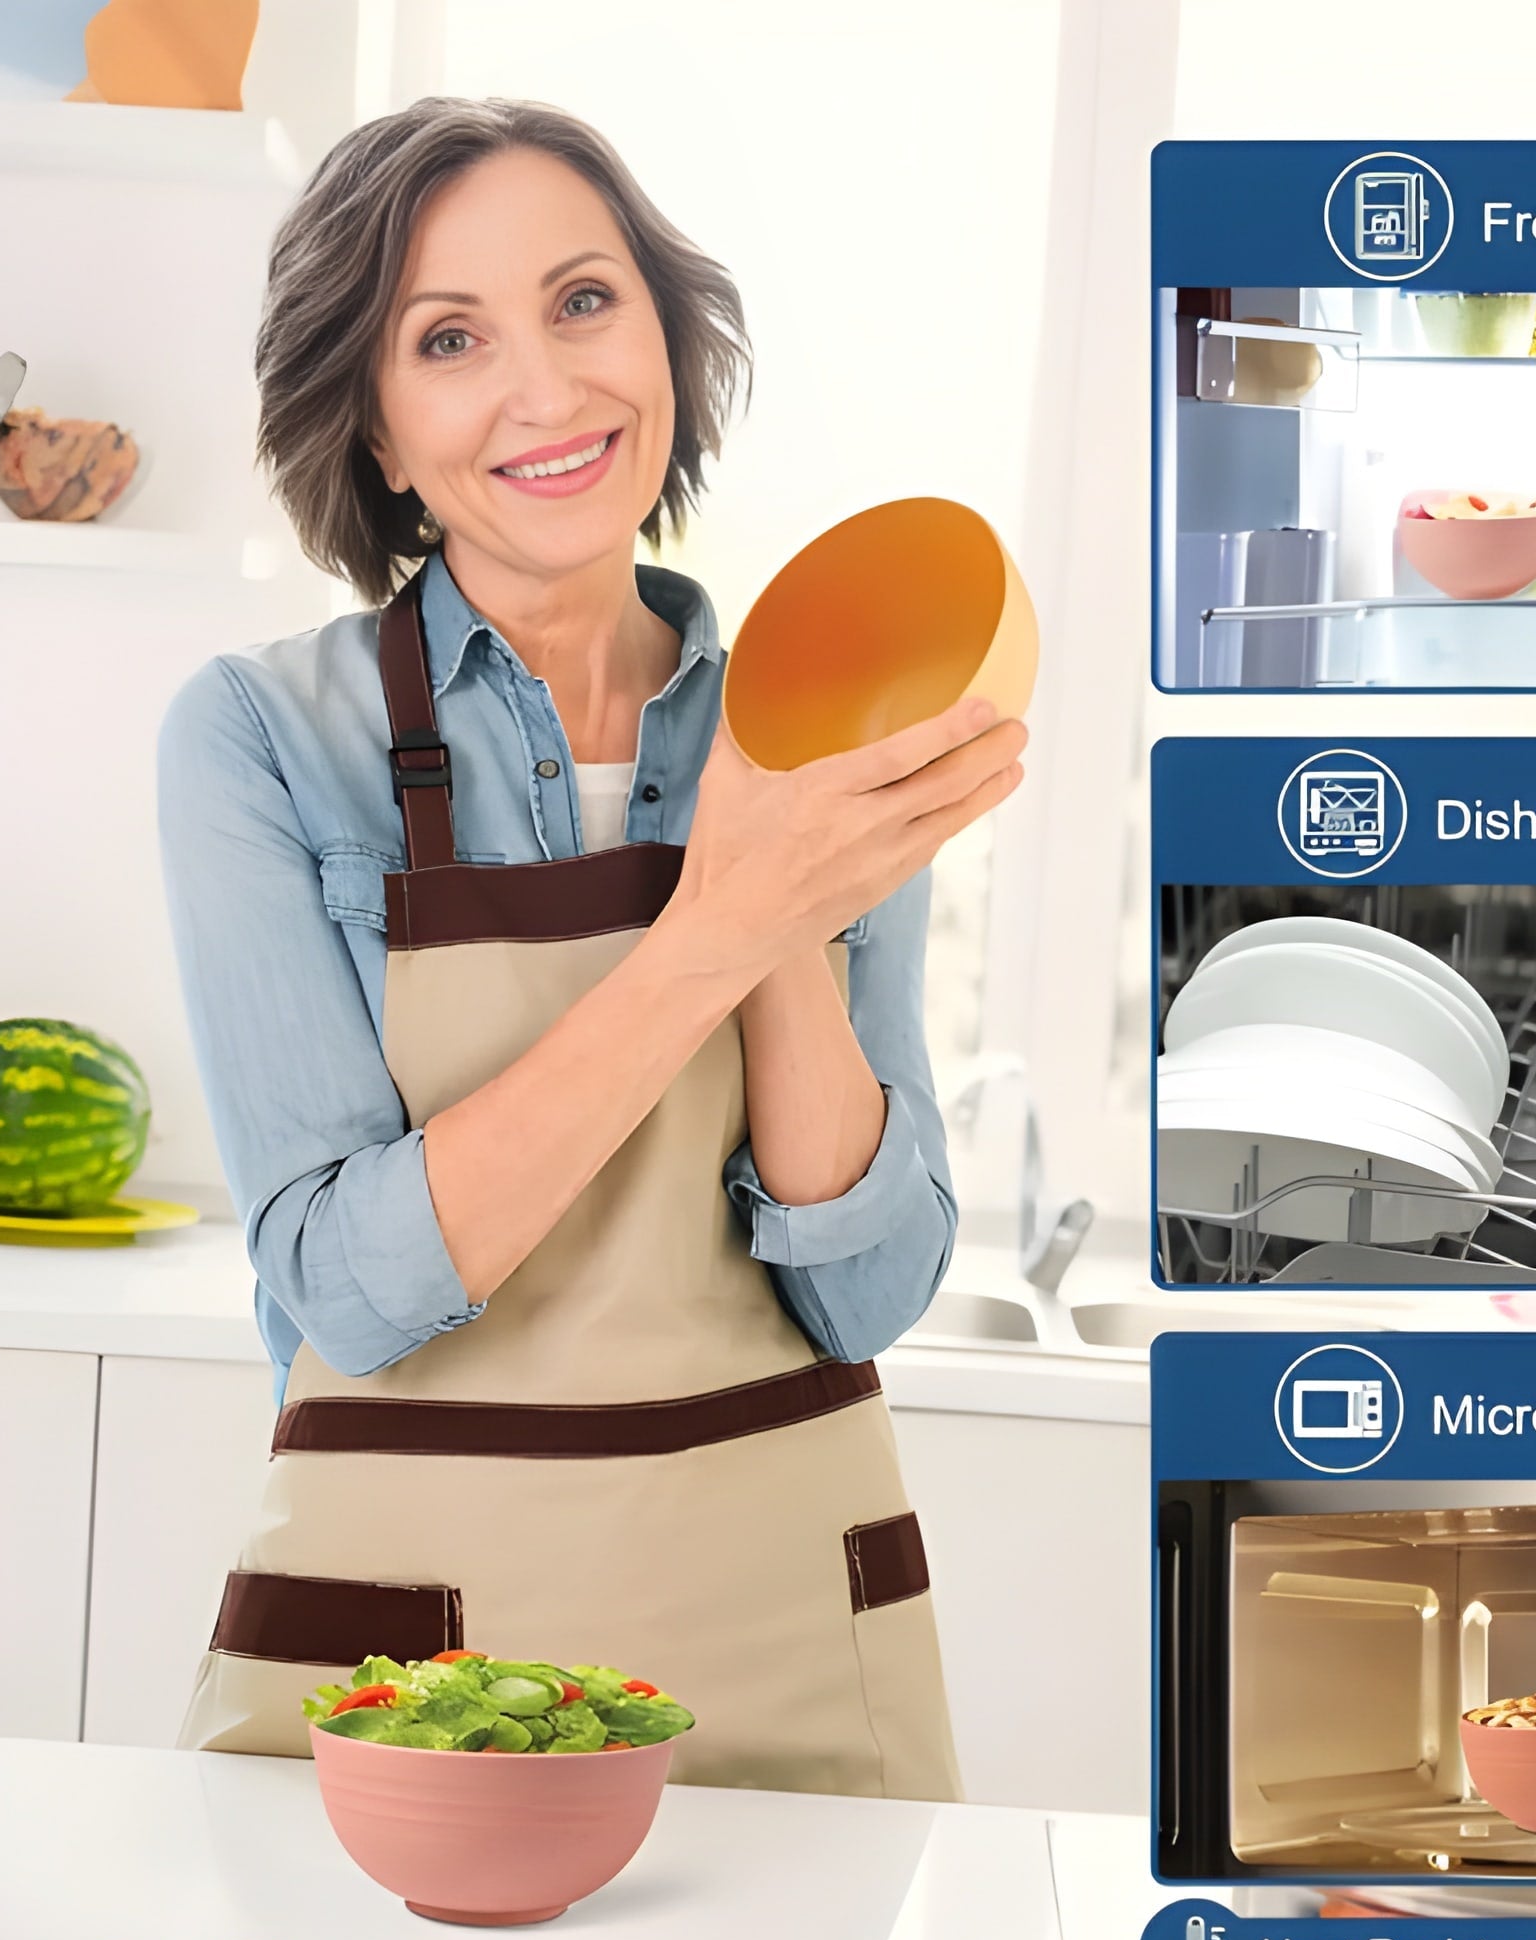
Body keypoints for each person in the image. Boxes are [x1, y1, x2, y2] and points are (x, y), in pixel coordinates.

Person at [156, 97, 1025, 1798]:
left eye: (583, 302)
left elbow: (862, 1287)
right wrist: (723, 919)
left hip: (786, 1643)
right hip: (406, 1668)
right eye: (451, 338)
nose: (546, 392)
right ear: (381, 431)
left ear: (670, 351)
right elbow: (346, 1286)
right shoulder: (262, 740)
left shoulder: (836, 717)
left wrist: (776, 860)